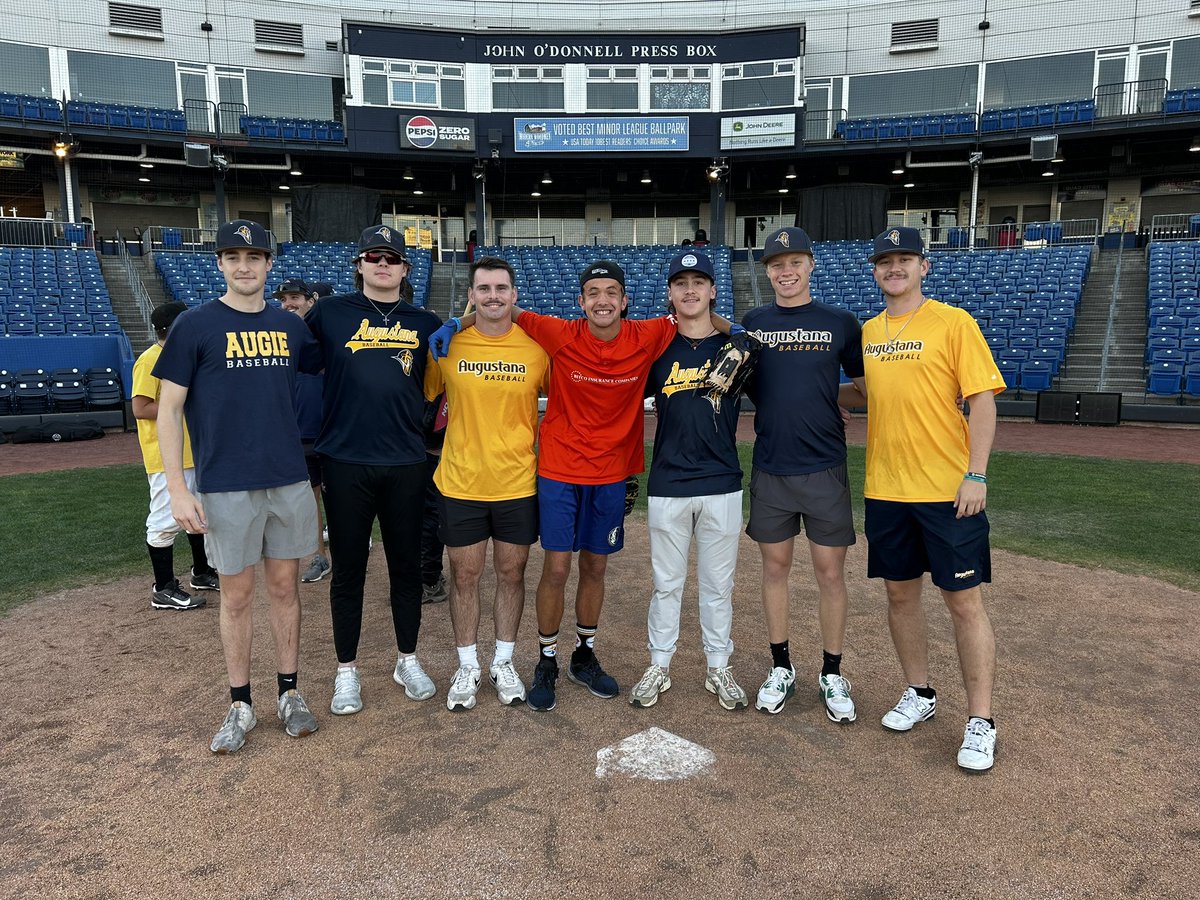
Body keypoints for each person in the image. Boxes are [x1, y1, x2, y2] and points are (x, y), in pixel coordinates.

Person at [432, 259, 740, 712]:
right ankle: (547, 660)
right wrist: (455, 322)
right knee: (556, 569)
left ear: (625, 301)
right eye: (593, 293)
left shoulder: (649, 334)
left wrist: (739, 330)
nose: (602, 300)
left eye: (611, 292)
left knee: (595, 568)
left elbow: (696, 314)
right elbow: (500, 308)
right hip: (559, 471)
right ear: (581, 301)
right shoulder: (557, 332)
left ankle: (584, 655)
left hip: (612, 474)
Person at [154, 219, 323, 754]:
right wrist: (178, 489)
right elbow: (168, 409)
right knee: (236, 595)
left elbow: (334, 364)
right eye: (233, 256)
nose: (244, 266)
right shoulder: (195, 324)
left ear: (269, 264)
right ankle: (240, 703)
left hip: (287, 476)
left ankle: (289, 693)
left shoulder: (290, 326)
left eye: (254, 257)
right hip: (225, 482)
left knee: (285, 588)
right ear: (220, 264)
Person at [854, 226, 1005, 772]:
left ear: (924, 266)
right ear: (875, 271)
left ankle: (981, 721)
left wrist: (976, 474)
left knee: (963, 602)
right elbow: (865, 394)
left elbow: (982, 401)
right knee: (900, 597)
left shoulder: (953, 322)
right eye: (885, 260)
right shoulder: (869, 331)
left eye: (905, 259)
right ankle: (919, 692)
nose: (894, 268)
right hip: (886, 488)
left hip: (947, 490)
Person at [305, 225, 443, 715]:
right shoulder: (330, 312)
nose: (382, 264)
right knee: (349, 570)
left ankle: (408, 659)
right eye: (373, 256)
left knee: (407, 567)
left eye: (391, 257)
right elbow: (295, 359)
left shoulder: (426, 322)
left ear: (405, 269)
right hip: (346, 460)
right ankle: (346, 670)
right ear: (359, 265)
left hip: (406, 460)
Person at [741, 226, 866, 722]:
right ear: (767, 271)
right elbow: (751, 384)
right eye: (776, 264)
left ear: (811, 265)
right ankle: (781, 667)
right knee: (774, 570)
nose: (786, 271)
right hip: (772, 465)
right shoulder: (754, 322)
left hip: (824, 467)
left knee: (830, 573)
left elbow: (865, 390)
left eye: (794, 262)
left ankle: (832, 673)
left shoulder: (840, 322)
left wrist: (826, 398)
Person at [424, 255, 550, 710]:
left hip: (518, 482)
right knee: (465, 576)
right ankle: (467, 665)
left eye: (501, 288)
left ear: (514, 295)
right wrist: (452, 325)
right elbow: (426, 396)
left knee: (512, 574)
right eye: (484, 288)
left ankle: (503, 661)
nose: (493, 296)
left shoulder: (536, 348)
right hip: (461, 482)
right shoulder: (448, 345)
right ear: (471, 295)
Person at [629, 251, 748, 711]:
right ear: (670, 293)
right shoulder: (657, 349)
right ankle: (659, 665)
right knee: (667, 584)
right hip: (669, 482)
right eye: (681, 283)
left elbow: (775, 395)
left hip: (722, 480)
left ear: (713, 290)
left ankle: (718, 667)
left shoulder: (737, 347)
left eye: (699, 282)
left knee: (718, 587)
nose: (691, 290)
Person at [131, 300, 219, 611]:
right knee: (163, 521)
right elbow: (140, 407)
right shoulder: (149, 359)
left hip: (195, 451)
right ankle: (163, 587)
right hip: (166, 456)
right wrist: (182, 402)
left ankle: (201, 572)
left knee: (199, 514)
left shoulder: (185, 356)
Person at [276, 277, 331, 584]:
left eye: (295, 297)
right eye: (284, 299)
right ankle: (319, 556)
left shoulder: (327, 335)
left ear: (311, 301)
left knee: (340, 499)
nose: (288, 304)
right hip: (298, 433)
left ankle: (348, 554)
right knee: (309, 503)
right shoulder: (279, 340)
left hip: (332, 431)